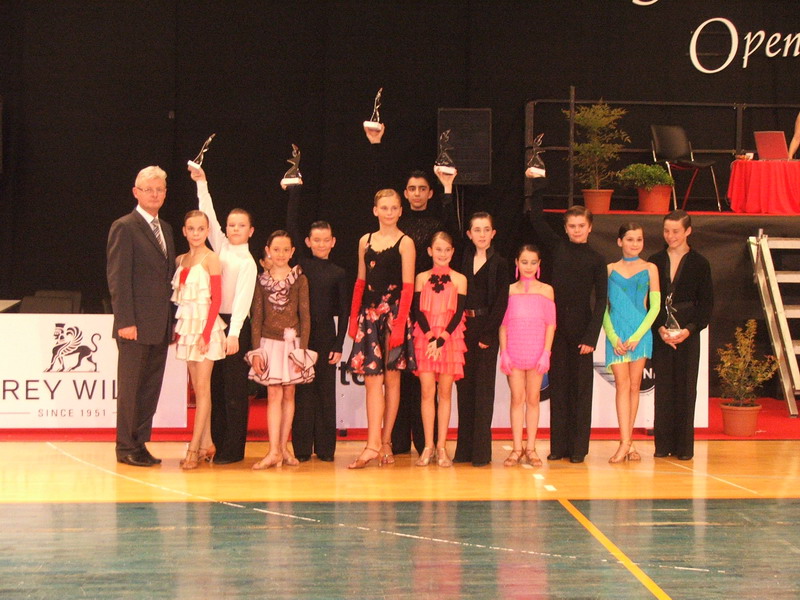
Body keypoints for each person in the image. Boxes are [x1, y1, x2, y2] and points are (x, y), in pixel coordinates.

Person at [365, 123, 460, 458]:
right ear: (404, 194)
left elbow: (453, 233)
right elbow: (379, 193)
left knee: (423, 376)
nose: (417, 193)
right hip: (398, 305)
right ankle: (395, 440)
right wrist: (376, 146)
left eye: (422, 188)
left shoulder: (436, 224)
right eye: (412, 189)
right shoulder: (396, 225)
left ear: (429, 193)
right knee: (398, 375)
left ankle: (426, 442)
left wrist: (447, 187)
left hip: (427, 307)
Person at [526, 179, 607, 463]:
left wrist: (591, 336)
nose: (576, 230)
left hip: (583, 331)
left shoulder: (597, 259)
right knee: (558, 389)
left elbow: (601, 301)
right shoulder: (558, 248)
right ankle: (558, 447)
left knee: (581, 391)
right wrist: (537, 184)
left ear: (590, 227)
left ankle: (578, 449)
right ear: (565, 228)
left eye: (581, 225)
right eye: (572, 226)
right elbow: (536, 219)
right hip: (557, 330)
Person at [107, 166, 175, 467]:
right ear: (136, 192)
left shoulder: (167, 229)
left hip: (160, 325)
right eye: (149, 189)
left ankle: (140, 443)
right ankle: (125, 447)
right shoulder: (125, 226)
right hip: (134, 326)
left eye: (159, 189)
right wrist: (125, 321)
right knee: (131, 389)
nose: (155, 194)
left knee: (149, 390)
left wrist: (172, 322)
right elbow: (118, 279)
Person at [189, 166, 257, 465]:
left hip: (234, 327)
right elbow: (208, 214)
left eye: (241, 225)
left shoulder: (248, 262)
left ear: (250, 231)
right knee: (215, 387)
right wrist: (202, 183)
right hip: (215, 323)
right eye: (231, 225)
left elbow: (242, 301)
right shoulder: (221, 246)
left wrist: (234, 334)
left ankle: (233, 449)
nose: (234, 229)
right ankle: (214, 443)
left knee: (234, 391)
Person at [347, 188, 416, 468]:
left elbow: (408, 286)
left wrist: (399, 325)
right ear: (375, 210)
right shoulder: (365, 241)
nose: (389, 212)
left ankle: (385, 441)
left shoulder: (405, 242)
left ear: (400, 211)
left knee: (392, 380)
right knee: (372, 381)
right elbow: (360, 282)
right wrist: (353, 318)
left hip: (394, 315)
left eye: (394, 208)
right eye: (384, 208)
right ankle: (372, 444)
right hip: (369, 315)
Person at [284, 173, 350, 463]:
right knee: (303, 392)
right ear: (308, 242)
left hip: (326, 337)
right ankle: (301, 448)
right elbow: (291, 225)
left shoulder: (338, 273)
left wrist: (339, 343)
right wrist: (294, 192)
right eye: (316, 240)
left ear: (333, 242)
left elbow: (344, 310)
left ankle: (325, 448)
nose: (321, 244)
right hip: (302, 337)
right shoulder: (302, 264)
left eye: (326, 240)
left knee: (325, 392)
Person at [649, 210, 713, 461]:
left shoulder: (700, 263)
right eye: (666, 231)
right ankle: (662, 445)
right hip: (662, 333)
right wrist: (659, 328)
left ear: (688, 231)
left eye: (676, 231)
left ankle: (684, 447)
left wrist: (689, 330)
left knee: (686, 390)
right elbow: (649, 302)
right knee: (663, 390)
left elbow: (706, 304)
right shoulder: (654, 261)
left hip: (687, 334)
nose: (670, 236)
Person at [247, 230, 311, 469]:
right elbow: (257, 317)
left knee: (289, 393)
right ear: (268, 251)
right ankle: (273, 449)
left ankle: (283, 447)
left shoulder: (299, 279)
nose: (281, 254)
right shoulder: (261, 281)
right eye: (276, 250)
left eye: (286, 250)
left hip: (292, 344)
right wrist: (256, 351)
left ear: (292, 252)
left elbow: (305, 317)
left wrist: (302, 351)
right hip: (269, 343)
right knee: (273, 393)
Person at [171, 210, 227, 469]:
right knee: (197, 388)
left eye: (201, 229)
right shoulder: (180, 260)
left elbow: (217, 299)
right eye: (191, 229)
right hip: (188, 329)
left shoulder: (211, 258)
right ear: (184, 231)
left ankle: (194, 449)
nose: (196, 233)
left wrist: (205, 335)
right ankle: (207, 443)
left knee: (203, 389)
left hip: (206, 329)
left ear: (207, 231)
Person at [453, 212, 509, 467]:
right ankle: (463, 450)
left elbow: (501, 302)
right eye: (477, 230)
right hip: (463, 329)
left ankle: (481, 453)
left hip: (487, 329)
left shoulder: (500, 263)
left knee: (483, 390)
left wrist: (488, 334)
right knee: (464, 389)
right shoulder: (462, 259)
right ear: (469, 234)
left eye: (487, 229)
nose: (482, 234)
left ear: (493, 233)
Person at [602, 223, 660, 464]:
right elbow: (603, 308)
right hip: (616, 334)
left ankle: (627, 443)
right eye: (629, 239)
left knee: (635, 386)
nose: (635, 244)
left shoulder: (650, 268)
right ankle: (626, 441)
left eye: (639, 239)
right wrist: (613, 337)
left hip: (640, 334)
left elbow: (655, 307)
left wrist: (637, 336)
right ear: (619, 242)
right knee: (622, 385)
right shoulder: (609, 269)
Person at [412, 231, 467, 467]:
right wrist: (429, 337)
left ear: (452, 252)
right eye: (438, 249)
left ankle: (442, 446)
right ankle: (428, 446)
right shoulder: (421, 278)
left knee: (445, 393)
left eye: (447, 250)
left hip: (449, 340)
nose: (442, 254)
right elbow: (417, 311)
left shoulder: (460, 279)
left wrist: (442, 339)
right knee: (427, 392)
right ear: (430, 251)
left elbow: (459, 313)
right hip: (425, 339)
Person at [498, 244, 555, 468]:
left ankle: (530, 448)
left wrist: (546, 353)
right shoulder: (509, 291)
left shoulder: (546, 290)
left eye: (533, 262)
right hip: (514, 351)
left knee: (533, 399)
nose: (528, 266)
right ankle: (516, 448)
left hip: (536, 352)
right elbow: (503, 325)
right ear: (516, 263)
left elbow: (551, 324)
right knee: (516, 399)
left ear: (539, 264)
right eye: (524, 262)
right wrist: (504, 353)